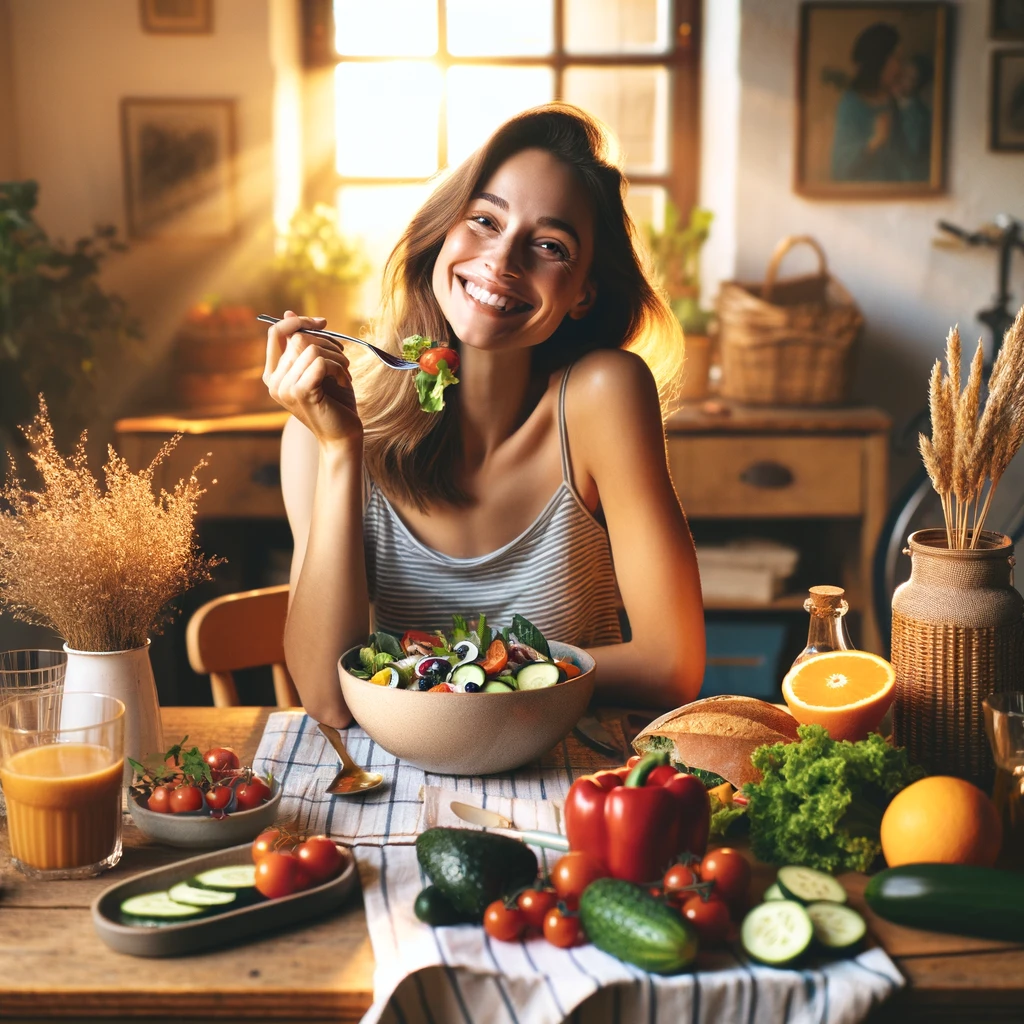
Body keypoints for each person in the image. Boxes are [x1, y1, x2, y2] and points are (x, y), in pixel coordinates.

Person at [264, 104, 705, 729]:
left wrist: (458, 677)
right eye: (484, 221)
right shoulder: (322, 434)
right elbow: (329, 701)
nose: (503, 261)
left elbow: (673, 666)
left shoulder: (603, 395)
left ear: (583, 292)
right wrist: (341, 451)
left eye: (549, 245)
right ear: (443, 232)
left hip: (574, 777)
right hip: (400, 785)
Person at [830, 22, 909, 182]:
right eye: (897, 59)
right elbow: (840, 168)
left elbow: (904, 158)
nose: (900, 68)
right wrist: (875, 142)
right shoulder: (851, 104)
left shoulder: (892, 103)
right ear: (879, 61)